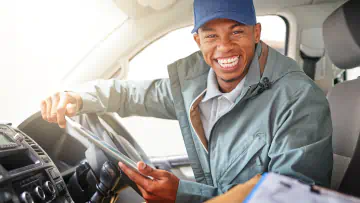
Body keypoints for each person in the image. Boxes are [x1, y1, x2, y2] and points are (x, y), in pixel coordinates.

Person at [40, 0, 333, 202]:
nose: (224, 47)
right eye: (211, 36)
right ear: (197, 41)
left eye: (237, 32)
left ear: (256, 33)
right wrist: (78, 97)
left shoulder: (298, 98)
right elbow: (133, 94)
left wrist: (183, 195)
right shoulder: (195, 88)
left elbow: (292, 196)